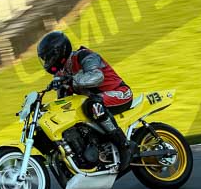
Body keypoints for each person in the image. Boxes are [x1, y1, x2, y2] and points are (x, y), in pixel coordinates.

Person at [37, 31, 136, 171]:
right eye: (44, 59)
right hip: (99, 100)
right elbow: (64, 101)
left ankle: (124, 146)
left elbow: (97, 76)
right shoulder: (61, 73)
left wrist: (71, 79)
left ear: (59, 52)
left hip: (119, 93)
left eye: (48, 57)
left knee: (93, 105)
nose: (47, 62)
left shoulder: (85, 56)